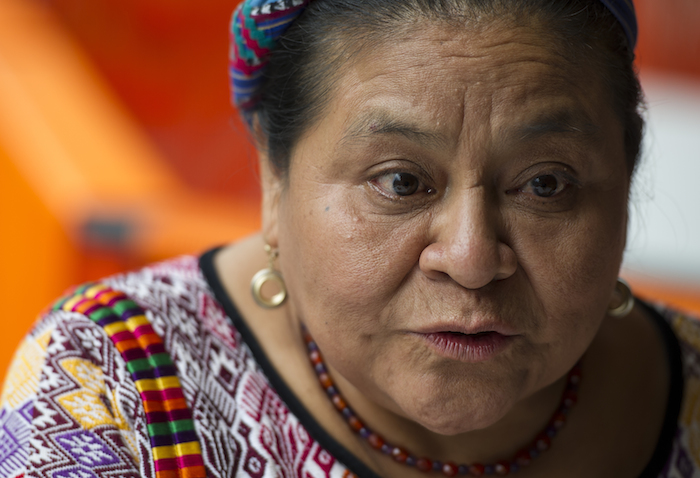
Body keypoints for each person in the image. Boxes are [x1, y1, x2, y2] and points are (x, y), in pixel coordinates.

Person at [0, 0, 695, 476]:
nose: (473, 259)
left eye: (546, 185)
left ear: (625, 185)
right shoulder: (115, 384)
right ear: (274, 179)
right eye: (399, 182)